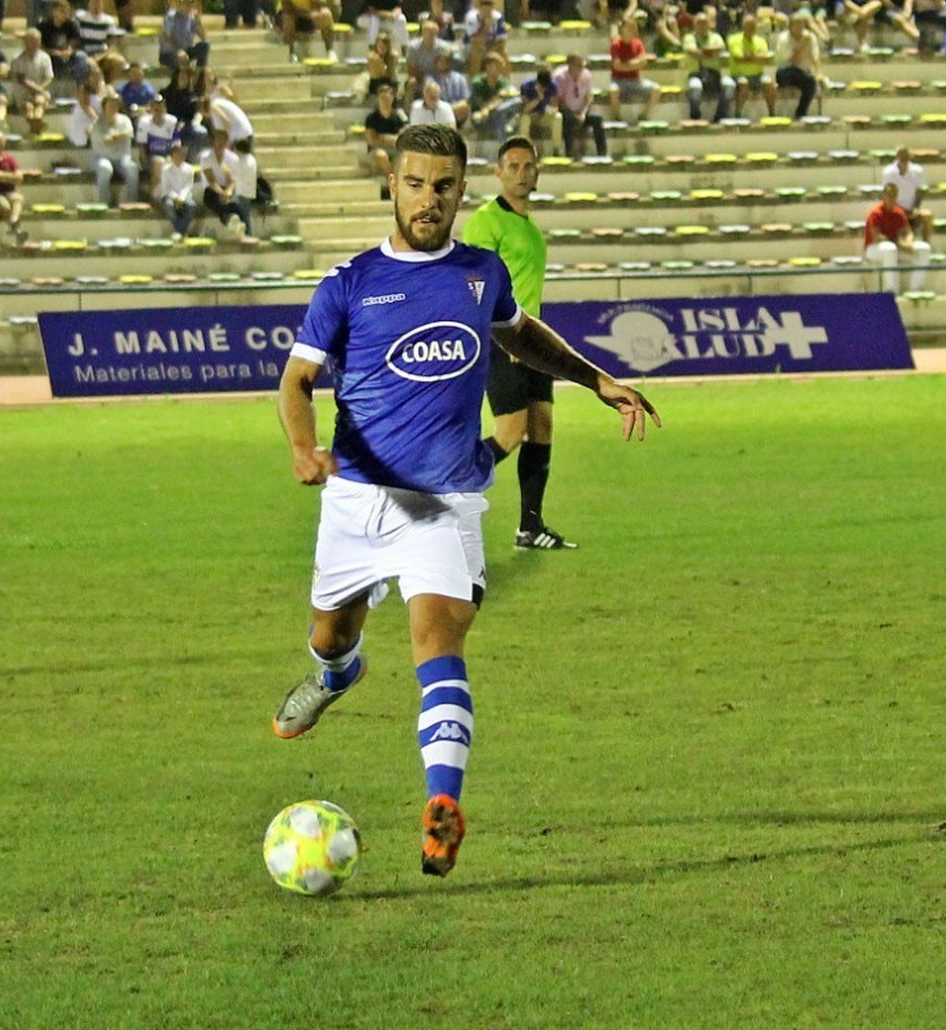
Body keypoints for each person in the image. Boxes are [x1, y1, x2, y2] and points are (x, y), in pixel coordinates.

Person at [270, 123, 659, 878]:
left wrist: (594, 377)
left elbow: (523, 339)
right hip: (355, 497)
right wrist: (302, 448)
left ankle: (441, 807)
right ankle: (336, 675)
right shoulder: (347, 282)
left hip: (443, 502)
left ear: (460, 189)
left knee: (437, 641)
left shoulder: (480, 272)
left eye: (444, 185)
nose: (429, 199)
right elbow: (295, 381)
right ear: (392, 183)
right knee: (330, 634)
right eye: (415, 183)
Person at [462, 136, 576, 548]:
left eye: (529, 166)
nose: (522, 173)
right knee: (510, 432)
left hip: (533, 342)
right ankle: (447, 487)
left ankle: (530, 526)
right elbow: (473, 283)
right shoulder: (486, 221)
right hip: (503, 338)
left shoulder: (527, 225)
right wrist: (498, 331)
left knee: (542, 427)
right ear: (498, 172)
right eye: (513, 166)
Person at [862, 181, 929, 294]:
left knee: (924, 249)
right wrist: (900, 244)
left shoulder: (899, 212)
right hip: (874, 248)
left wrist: (908, 243)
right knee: (889, 249)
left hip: (897, 246)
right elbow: (877, 237)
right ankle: (892, 291)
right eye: (889, 195)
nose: (891, 198)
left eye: (894, 195)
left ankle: (916, 289)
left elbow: (908, 232)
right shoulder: (875, 213)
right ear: (883, 197)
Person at [683, 4, 734, 122]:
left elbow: (721, 47)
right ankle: (695, 117)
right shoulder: (689, 37)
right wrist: (711, 52)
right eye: (699, 23)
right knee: (695, 87)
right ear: (695, 25)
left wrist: (703, 51)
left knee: (729, 85)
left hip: (715, 75)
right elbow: (692, 52)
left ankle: (719, 117)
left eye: (705, 23)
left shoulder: (716, 36)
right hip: (696, 74)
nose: (702, 26)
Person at [607, 16, 659, 122]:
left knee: (656, 89)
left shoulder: (638, 43)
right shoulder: (616, 44)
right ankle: (617, 117)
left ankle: (643, 115)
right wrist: (635, 63)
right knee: (613, 91)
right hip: (618, 80)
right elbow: (617, 66)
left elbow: (643, 62)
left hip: (635, 80)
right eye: (630, 28)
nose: (633, 30)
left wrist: (626, 64)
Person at [552, 53, 605, 158]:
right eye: (578, 66)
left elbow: (589, 97)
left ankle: (602, 153)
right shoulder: (560, 77)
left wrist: (583, 113)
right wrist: (573, 114)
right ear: (570, 65)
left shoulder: (586, 75)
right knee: (569, 120)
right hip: (565, 111)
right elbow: (559, 101)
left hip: (581, 111)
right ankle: (569, 153)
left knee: (597, 120)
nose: (581, 68)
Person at [725, 11, 776, 118]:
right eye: (748, 26)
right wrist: (756, 57)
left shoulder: (761, 41)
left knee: (769, 83)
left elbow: (765, 59)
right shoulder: (734, 39)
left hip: (758, 75)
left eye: (753, 26)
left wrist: (748, 57)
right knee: (744, 83)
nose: (751, 28)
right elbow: (738, 59)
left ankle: (772, 113)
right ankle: (738, 114)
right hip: (738, 75)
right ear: (743, 26)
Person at [881, 145, 932, 241]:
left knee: (927, 216)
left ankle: (927, 245)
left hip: (912, 209)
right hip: (894, 210)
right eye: (901, 155)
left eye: (905, 155)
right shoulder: (888, 172)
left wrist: (915, 208)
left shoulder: (918, 171)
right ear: (897, 156)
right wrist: (901, 210)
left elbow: (919, 192)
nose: (903, 158)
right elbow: (888, 195)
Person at [363, 81, 405, 196]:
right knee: (380, 155)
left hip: (394, 150)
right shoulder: (371, 118)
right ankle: (394, 183)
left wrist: (382, 137)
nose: (385, 101)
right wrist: (390, 139)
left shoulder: (398, 117)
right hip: (376, 151)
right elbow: (372, 140)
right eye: (382, 98)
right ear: (378, 99)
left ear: (392, 98)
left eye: (388, 97)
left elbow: (402, 139)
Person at [10, 27, 53, 137]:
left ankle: (35, 128)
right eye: (32, 41)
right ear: (26, 42)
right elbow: (21, 80)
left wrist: (40, 89)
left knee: (39, 102)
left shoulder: (45, 57)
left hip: (40, 90)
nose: (36, 43)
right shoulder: (17, 59)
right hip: (23, 91)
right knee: (28, 107)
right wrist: (38, 89)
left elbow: (49, 77)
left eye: (38, 40)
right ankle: (38, 127)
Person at [155, 138, 198, 239]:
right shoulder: (166, 169)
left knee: (191, 206)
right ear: (172, 156)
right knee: (169, 206)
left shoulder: (189, 169)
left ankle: (179, 231)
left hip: (184, 195)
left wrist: (181, 198)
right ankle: (181, 231)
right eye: (176, 154)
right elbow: (166, 188)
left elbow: (188, 185)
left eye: (181, 155)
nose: (179, 157)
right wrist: (175, 198)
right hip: (169, 195)